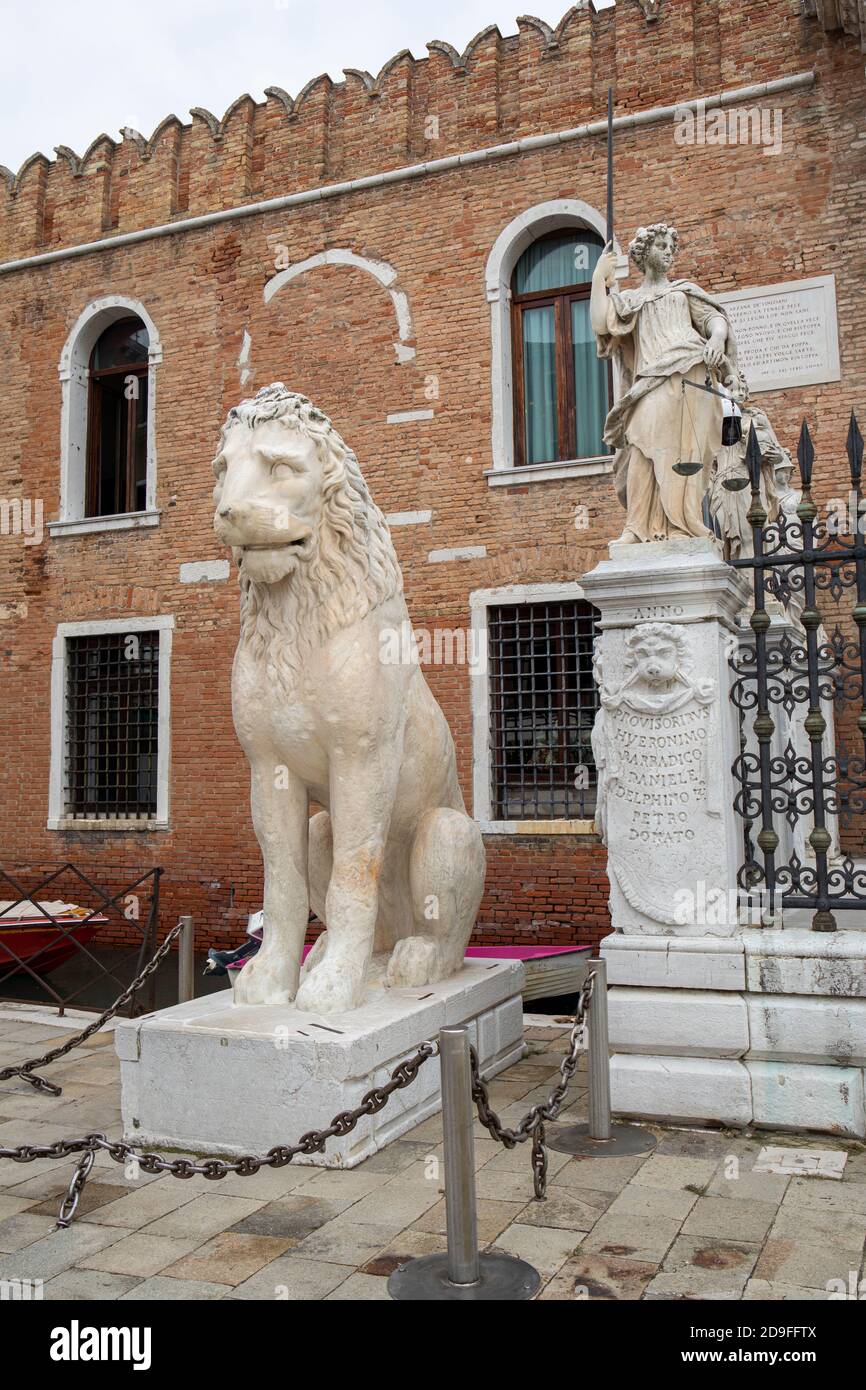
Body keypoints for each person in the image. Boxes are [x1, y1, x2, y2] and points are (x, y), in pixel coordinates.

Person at [591, 222, 739, 543]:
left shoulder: (683, 292)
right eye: (661, 246)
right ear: (644, 254)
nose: (668, 251)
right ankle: (637, 525)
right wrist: (598, 279)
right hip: (651, 378)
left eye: (671, 247)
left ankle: (681, 524)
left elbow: (714, 319)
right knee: (642, 441)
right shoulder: (630, 300)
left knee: (686, 448)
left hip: (691, 370)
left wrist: (715, 338)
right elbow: (601, 322)